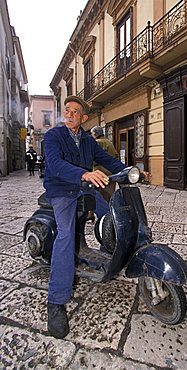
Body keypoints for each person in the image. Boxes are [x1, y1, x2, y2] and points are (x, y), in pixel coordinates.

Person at [43, 95, 128, 339]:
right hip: (60, 190)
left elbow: (108, 160)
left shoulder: (89, 141)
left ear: (84, 118)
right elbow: (55, 165)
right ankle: (56, 301)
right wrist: (85, 174)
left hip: (82, 188)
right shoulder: (53, 137)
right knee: (67, 235)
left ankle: (108, 250)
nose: (69, 114)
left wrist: (129, 170)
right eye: (66, 110)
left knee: (112, 211)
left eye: (75, 111)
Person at [91, 126, 118, 202]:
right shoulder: (108, 142)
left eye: (92, 134)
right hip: (111, 171)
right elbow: (116, 155)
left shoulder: (97, 142)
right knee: (109, 195)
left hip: (101, 172)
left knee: (100, 196)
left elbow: (94, 158)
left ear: (95, 134)